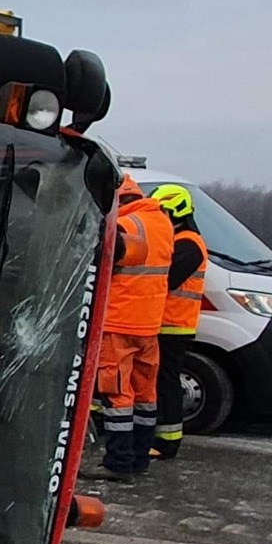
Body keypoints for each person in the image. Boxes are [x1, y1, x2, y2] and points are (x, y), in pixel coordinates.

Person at [97, 174, 174, 481]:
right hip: (149, 324)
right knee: (145, 394)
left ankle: (118, 461)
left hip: (119, 321)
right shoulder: (163, 225)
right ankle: (139, 458)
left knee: (117, 395)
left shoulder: (125, 226)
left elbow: (104, 260)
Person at [149, 183, 209, 460]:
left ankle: (167, 442)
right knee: (158, 380)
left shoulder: (188, 244)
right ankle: (159, 436)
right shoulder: (182, 241)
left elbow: (167, 279)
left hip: (173, 325)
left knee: (166, 381)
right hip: (165, 323)